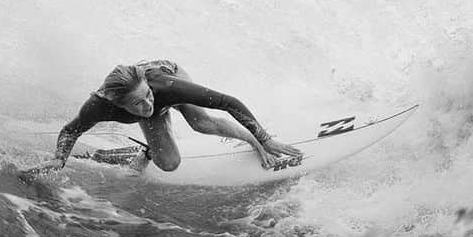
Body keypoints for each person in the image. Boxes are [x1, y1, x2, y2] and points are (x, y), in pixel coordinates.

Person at [21, 59, 300, 180]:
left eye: (147, 96)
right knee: (169, 163)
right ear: (118, 105)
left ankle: (254, 142)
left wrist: (263, 137)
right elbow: (71, 131)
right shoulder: (98, 106)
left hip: (168, 70)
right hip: (139, 86)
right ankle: (145, 150)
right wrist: (60, 158)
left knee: (201, 123)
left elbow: (229, 102)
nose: (147, 104)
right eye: (138, 103)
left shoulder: (164, 88)